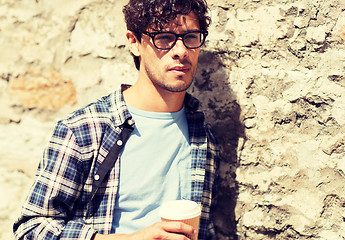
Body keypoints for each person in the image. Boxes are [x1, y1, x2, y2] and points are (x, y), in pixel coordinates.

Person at [13, 0, 220, 239]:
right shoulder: (83, 130)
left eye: (191, 37)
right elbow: (31, 228)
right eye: (164, 38)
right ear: (134, 43)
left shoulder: (204, 139)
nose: (181, 50)